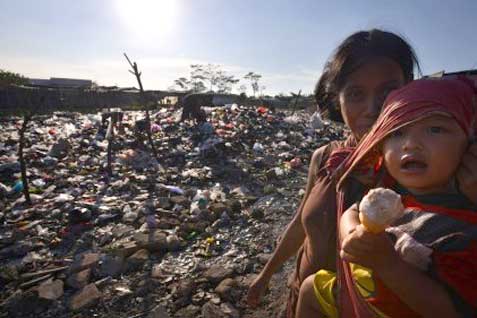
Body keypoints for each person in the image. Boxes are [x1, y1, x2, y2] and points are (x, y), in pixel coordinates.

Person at [246, 29, 477, 318]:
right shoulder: (327, 159)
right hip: (314, 296)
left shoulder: (433, 169)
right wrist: (266, 275)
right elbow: (301, 225)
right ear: (338, 101)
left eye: (388, 92)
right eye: (355, 94)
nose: (372, 109)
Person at [296, 78, 477, 317]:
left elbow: (450, 311)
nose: (411, 144)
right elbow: (352, 211)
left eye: (435, 129)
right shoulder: (391, 193)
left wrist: (388, 264)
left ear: (469, 146)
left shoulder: (462, 228)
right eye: (397, 132)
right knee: (310, 289)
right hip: (362, 298)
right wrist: (351, 233)